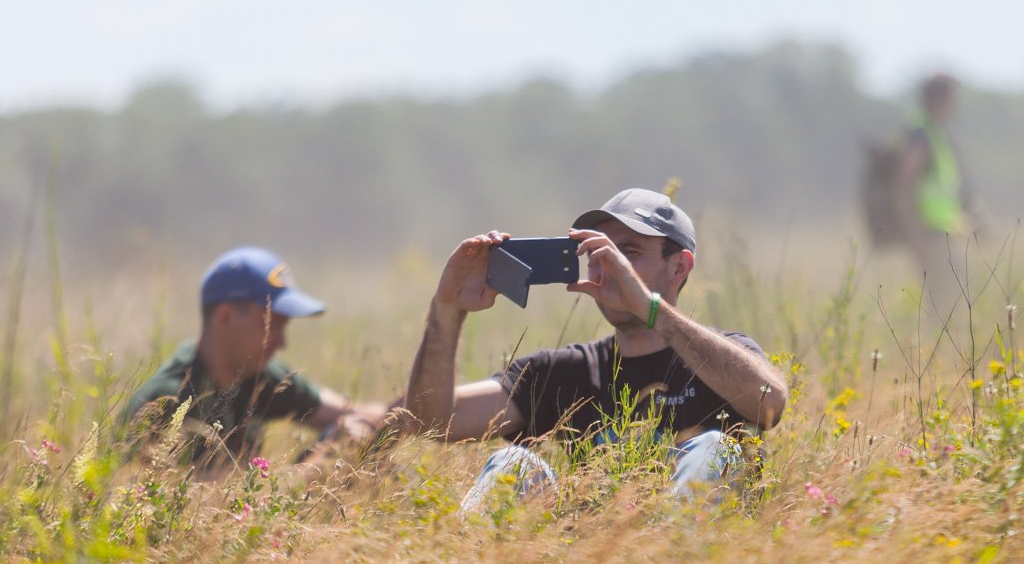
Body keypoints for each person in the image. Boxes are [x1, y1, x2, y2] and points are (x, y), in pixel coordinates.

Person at [402, 188, 788, 507]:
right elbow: (433, 420)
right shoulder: (566, 372)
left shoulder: (720, 357)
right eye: (598, 254)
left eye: (628, 254)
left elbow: (769, 402)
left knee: (712, 448)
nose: (608, 267)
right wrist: (448, 310)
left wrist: (652, 309)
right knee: (512, 463)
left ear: (679, 268)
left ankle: (670, 557)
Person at [124, 246, 382, 475]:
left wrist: (398, 413)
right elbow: (170, 509)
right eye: (271, 323)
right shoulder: (168, 401)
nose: (282, 342)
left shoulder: (257, 374)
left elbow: (350, 413)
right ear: (225, 316)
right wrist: (313, 469)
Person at [897, 73, 973, 302]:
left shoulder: (932, 131)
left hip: (943, 232)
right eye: (952, 96)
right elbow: (902, 187)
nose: (955, 103)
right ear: (939, 98)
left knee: (950, 304)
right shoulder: (921, 134)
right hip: (930, 234)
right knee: (944, 306)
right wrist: (915, 234)